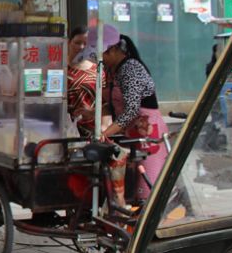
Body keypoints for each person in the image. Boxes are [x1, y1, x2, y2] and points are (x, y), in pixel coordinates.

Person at [96, 27, 168, 200]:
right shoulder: (115, 70)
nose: (101, 59)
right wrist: (92, 113)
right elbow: (115, 103)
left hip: (147, 134)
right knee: (130, 187)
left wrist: (105, 133)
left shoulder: (130, 69)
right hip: (131, 135)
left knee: (148, 187)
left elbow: (131, 110)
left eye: (103, 54)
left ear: (113, 50)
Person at [66, 25, 103, 138]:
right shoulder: (57, 67)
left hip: (91, 130)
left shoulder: (98, 70)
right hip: (64, 128)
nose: (81, 47)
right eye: (77, 42)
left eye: (86, 44)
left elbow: (106, 102)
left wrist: (92, 112)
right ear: (69, 42)